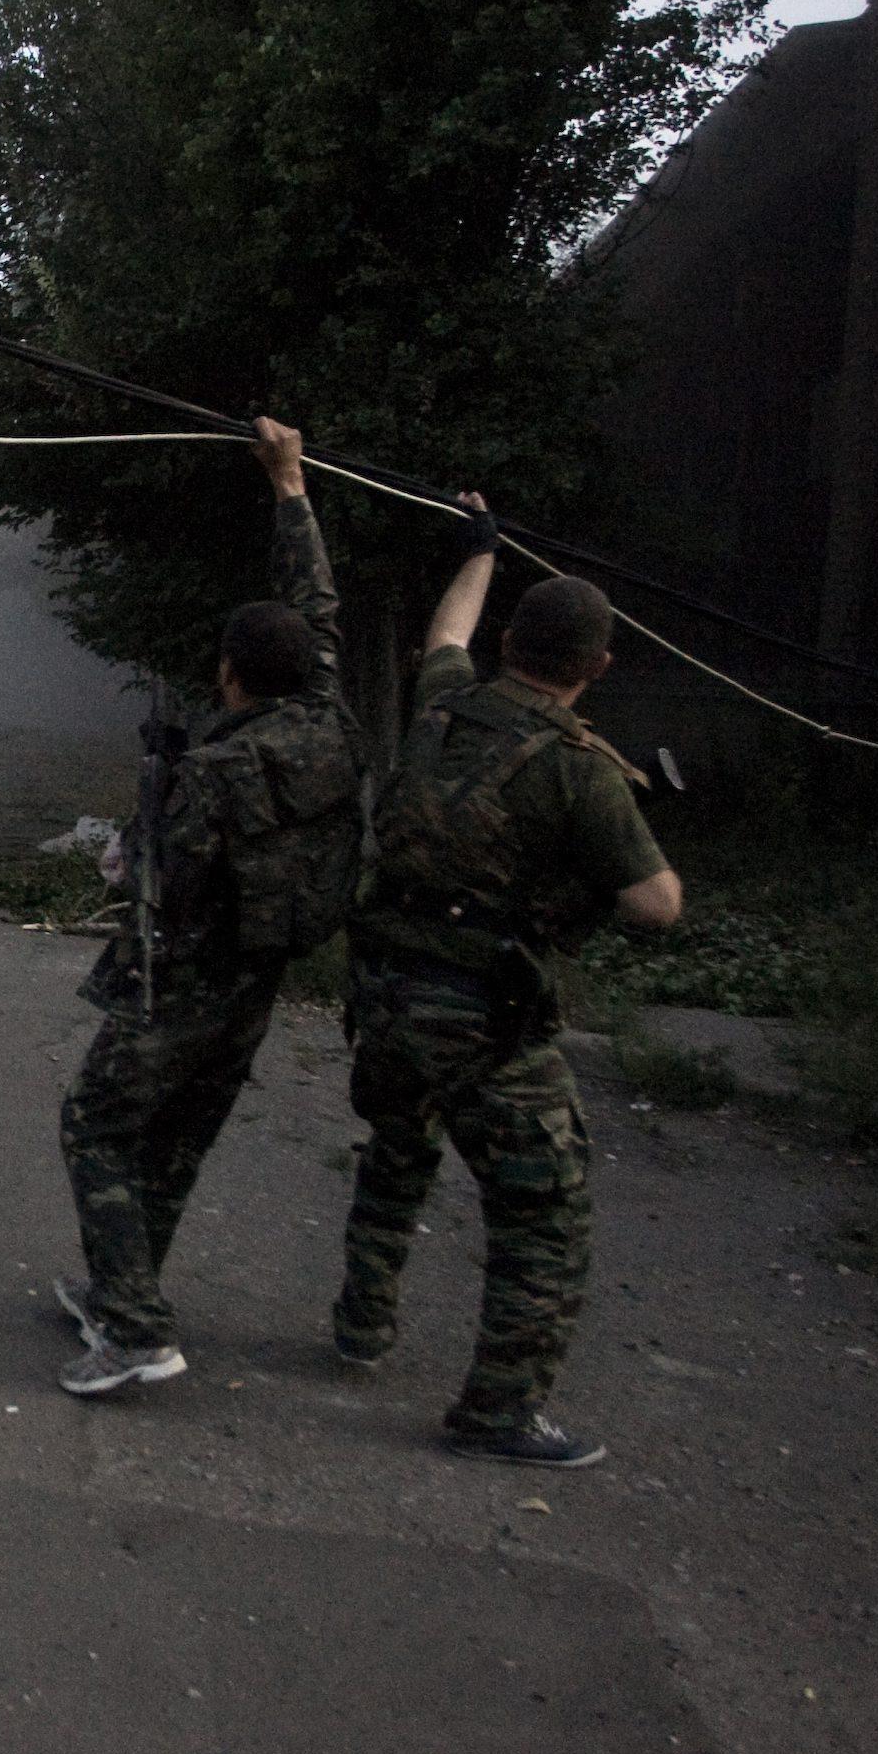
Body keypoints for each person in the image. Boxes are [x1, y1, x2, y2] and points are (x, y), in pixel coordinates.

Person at [334, 505, 683, 1469]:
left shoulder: (442, 700)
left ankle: (361, 1325)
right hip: (486, 1018)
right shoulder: (581, 770)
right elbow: (656, 906)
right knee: (543, 1215)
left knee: (397, 1153)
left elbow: (447, 631)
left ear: (509, 645)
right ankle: (499, 1410)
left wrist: (478, 550)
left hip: (386, 991)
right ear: (598, 667)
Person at [55, 417, 365, 1398]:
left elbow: (155, 884)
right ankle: (124, 1285)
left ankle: (139, 1330)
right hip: (259, 976)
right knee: (180, 1133)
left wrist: (133, 840)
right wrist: (290, 483)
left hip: (187, 975)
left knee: (97, 1120)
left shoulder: (220, 769)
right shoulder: (328, 719)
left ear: (230, 673)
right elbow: (315, 599)